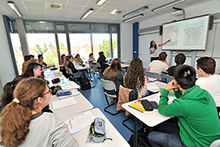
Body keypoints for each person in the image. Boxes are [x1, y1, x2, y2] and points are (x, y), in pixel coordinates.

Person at [148, 65, 220, 147]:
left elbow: (162, 109)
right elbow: (185, 100)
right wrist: (176, 90)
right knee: (163, 126)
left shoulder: (182, 104)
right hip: (209, 139)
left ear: (177, 82)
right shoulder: (204, 93)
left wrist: (165, 91)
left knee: (151, 136)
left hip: (196, 143)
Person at [0, 77, 78, 147]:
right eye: (48, 91)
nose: (50, 94)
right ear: (39, 99)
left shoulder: (4, 118)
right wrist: (66, 132)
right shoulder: (51, 122)